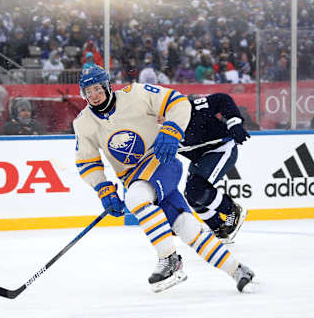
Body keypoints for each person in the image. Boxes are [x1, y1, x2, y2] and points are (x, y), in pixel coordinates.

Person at [74, 66, 254, 293]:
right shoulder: (83, 123)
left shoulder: (137, 94)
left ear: (107, 86)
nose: (93, 95)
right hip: (132, 176)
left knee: (136, 198)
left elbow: (177, 101)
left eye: (97, 89)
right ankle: (238, 270)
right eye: (87, 91)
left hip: (160, 160)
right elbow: (87, 162)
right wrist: (102, 188)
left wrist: (172, 129)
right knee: (186, 228)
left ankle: (168, 259)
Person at [173, 94, 251, 244]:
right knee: (192, 195)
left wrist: (234, 122)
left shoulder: (190, 108)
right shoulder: (154, 130)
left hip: (221, 148)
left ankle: (232, 211)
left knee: (196, 188)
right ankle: (219, 229)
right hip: (201, 156)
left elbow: (222, 99)